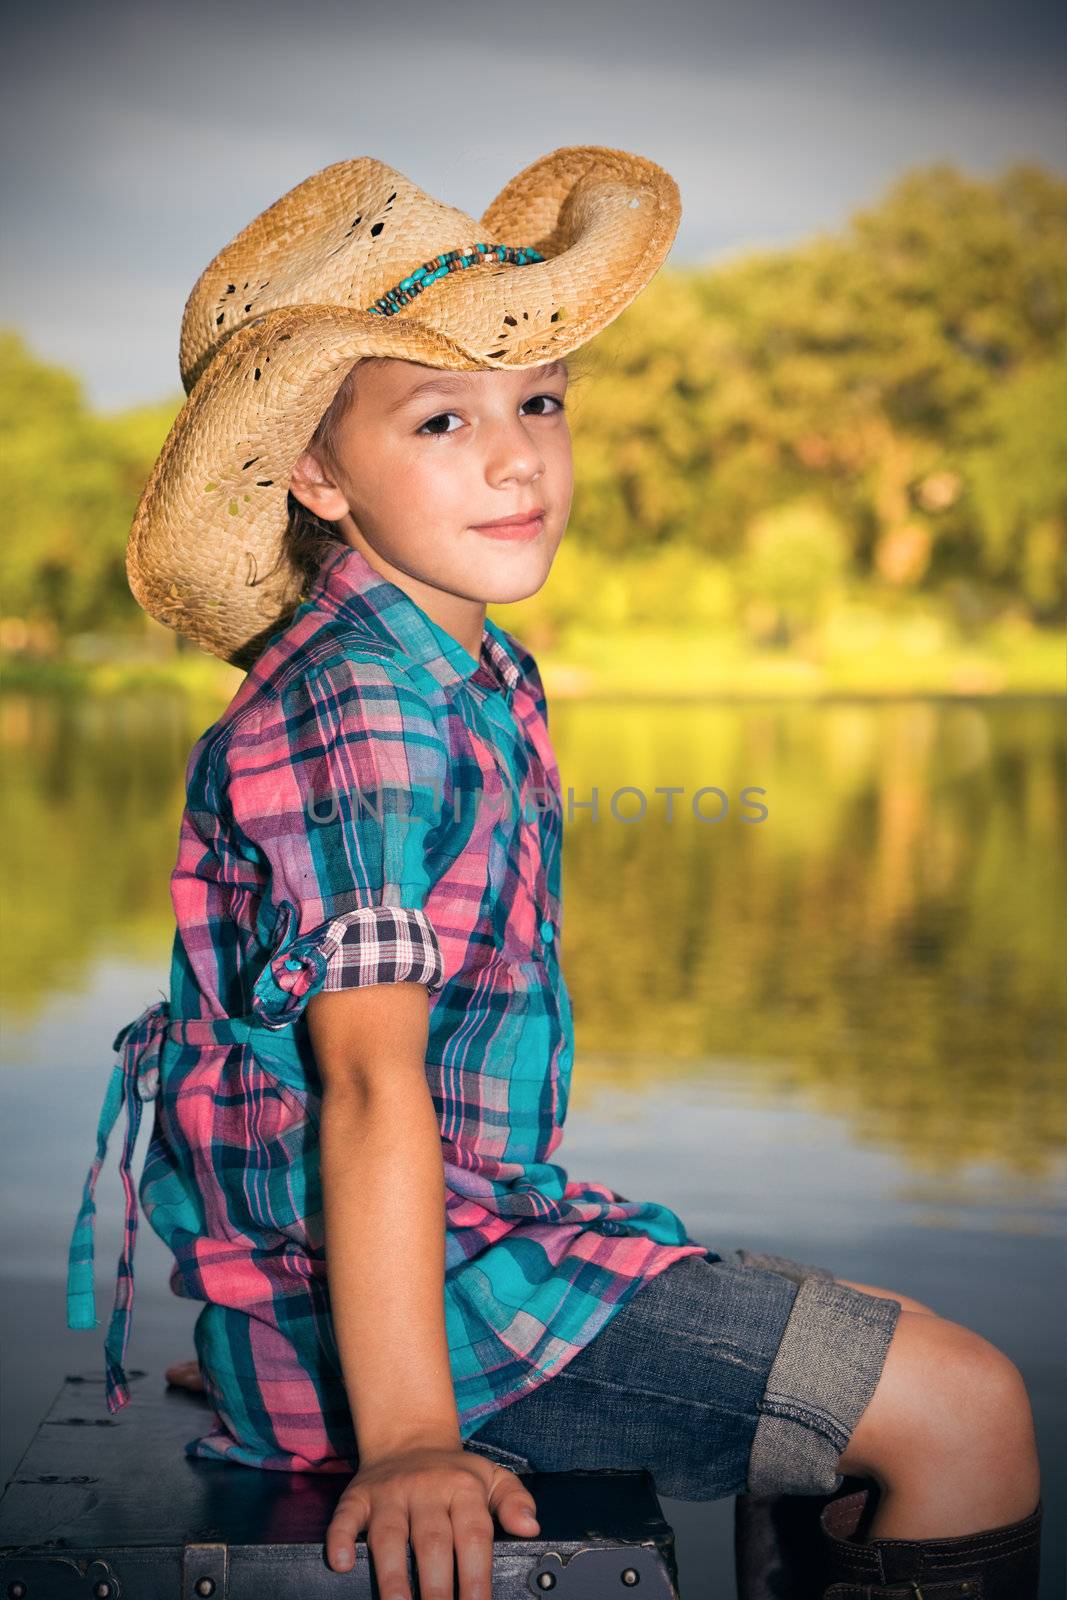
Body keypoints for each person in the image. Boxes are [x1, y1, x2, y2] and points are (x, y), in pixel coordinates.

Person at [65, 148, 1043, 1600]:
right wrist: (404, 1443)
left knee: (878, 1364)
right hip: (427, 1329)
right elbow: (369, 1083)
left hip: (473, 1254)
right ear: (319, 476)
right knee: (966, 1413)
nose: (519, 456)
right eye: (443, 418)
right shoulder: (363, 710)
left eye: (540, 402)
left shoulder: (458, 666)